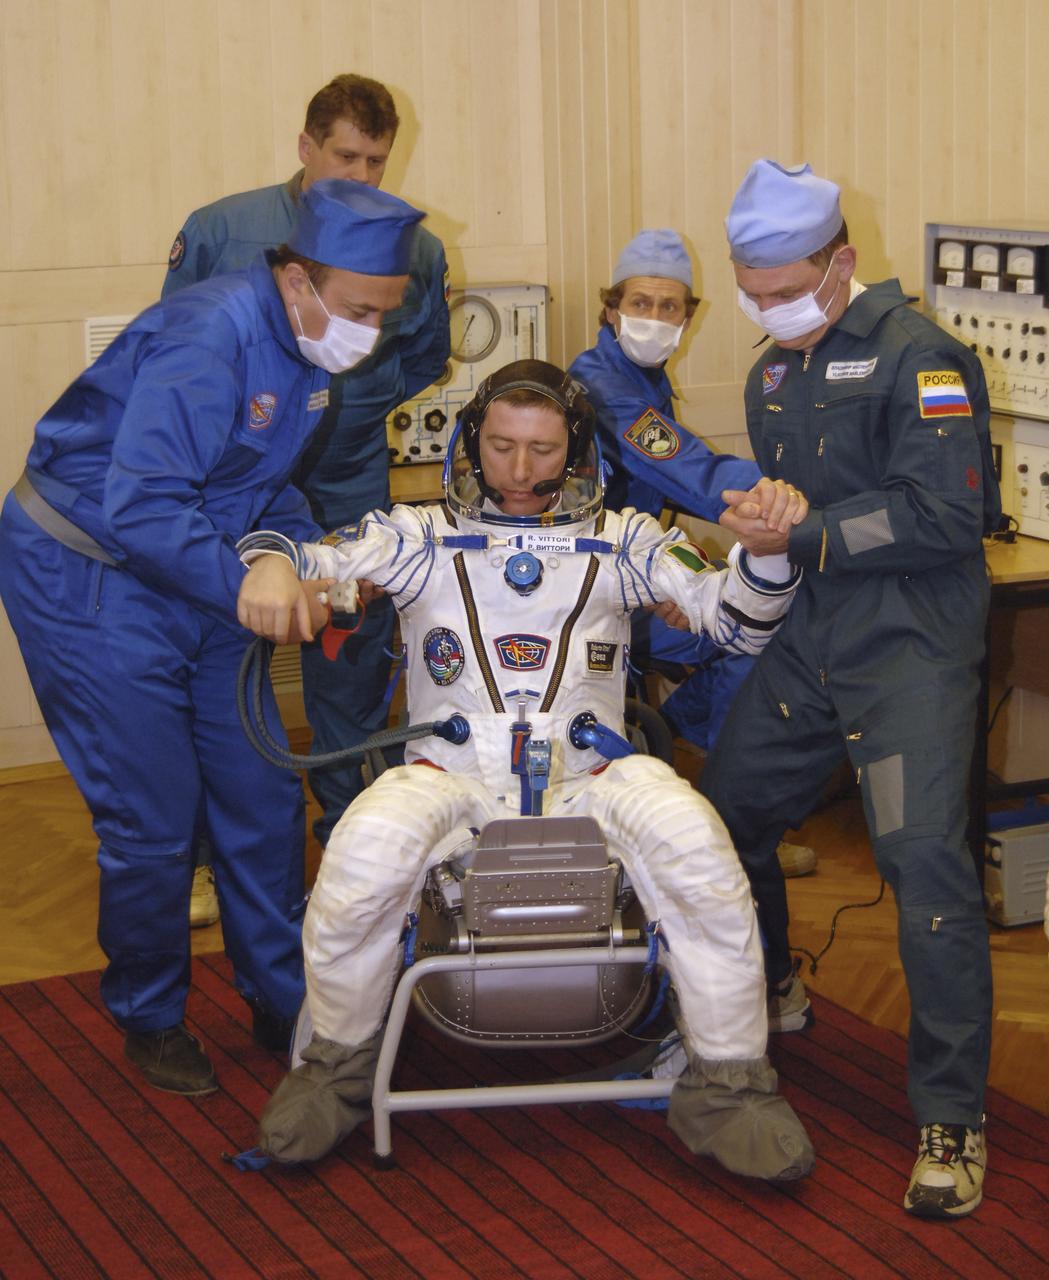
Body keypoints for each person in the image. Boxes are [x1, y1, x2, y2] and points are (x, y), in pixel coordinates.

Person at [235, 359, 815, 1182]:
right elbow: (317, 560)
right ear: (471, 442)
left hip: (594, 771)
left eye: (542, 450)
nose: (518, 470)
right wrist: (273, 565)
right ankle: (333, 1069)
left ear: (577, 452)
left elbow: (733, 624)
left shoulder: (625, 542)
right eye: (501, 445)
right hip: (450, 772)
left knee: (699, 849)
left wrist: (764, 554)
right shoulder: (415, 537)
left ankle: (729, 1087)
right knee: (362, 854)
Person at [0, 178, 423, 1095]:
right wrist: (250, 582)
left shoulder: (311, 347)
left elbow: (258, 488)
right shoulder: (211, 336)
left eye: (385, 314)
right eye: (359, 309)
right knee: (153, 817)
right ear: (299, 278)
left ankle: (281, 997)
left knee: (259, 790)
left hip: (198, 567)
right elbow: (142, 505)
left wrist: (276, 553)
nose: (370, 333)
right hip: (90, 573)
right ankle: (150, 1013)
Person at [700, 159, 1001, 1219]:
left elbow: (940, 517)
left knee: (922, 874)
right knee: (720, 819)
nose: (765, 305)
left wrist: (806, 529)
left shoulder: (921, 360)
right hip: (814, 637)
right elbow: (794, 503)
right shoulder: (772, 373)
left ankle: (950, 1118)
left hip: (908, 645)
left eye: (784, 286)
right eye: (750, 285)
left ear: (841, 264)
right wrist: (766, 519)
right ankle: (774, 978)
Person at [164, 73, 450, 882]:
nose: (362, 178)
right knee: (219, 649)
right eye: (345, 156)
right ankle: (206, 854)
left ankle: (352, 834)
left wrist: (346, 407)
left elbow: (422, 356)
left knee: (349, 656)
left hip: (348, 479)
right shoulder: (226, 230)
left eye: (377, 162)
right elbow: (177, 356)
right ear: (305, 147)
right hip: (234, 482)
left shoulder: (417, 249)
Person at [569, 229, 818, 883]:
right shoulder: (600, 384)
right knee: (762, 637)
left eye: (669, 307)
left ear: (689, 315)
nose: (653, 319)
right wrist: (779, 493)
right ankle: (723, 818)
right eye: (640, 303)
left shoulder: (644, 379)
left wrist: (682, 570)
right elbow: (684, 466)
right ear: (609, 308)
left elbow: (655, 499)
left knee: (768, 630)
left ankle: (684, 755)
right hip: (593, 593)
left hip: (641, 572)